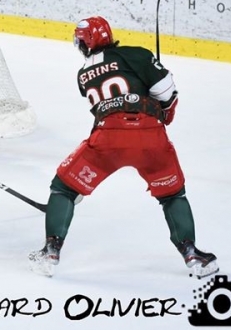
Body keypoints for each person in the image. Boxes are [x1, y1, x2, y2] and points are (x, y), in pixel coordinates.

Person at [28, 16, 218, 278]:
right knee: (172, 195)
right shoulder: (137, 55)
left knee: (64, 188)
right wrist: (164, 110)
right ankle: (191, 253)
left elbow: (108, 105)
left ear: (85, 44)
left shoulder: (83, 75)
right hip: (151, 137)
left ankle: (50, 250)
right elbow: (167, 94)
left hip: (108, 139)